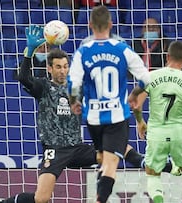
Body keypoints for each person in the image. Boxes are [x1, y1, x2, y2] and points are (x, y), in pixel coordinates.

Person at [0, 25, 176, 203]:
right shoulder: (43, 87)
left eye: (65, 66)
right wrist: (29, 52)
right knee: (41, 199)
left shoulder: (77, 87)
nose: (63, 70)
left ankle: (146, 163)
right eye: (58, 67)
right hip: (55, 150)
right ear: (49, 69)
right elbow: (23, 78)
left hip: (77, 148)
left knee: (114, 148)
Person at [67, 5, 151, 203]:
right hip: (117, 116)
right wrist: (135, 93)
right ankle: (100, 200)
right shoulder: (122, 49)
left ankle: (99, 196)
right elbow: (147, 79)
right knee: (111, 164)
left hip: (93, 118)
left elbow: (73, 84)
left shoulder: (82, 52)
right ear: (111, 24)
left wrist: (74, 102)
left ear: (90, 25)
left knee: (105, 160)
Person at [129, 41, 182, 203]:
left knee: (152, 173)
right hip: (180, 132)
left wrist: (140, 122)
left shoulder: (151, 77)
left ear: (167, 57)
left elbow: (136, 104)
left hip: (157, 132)